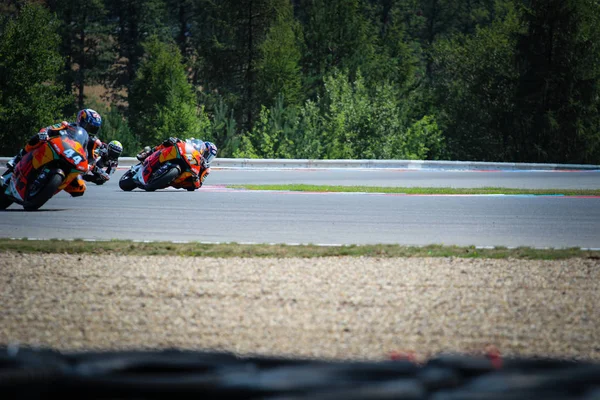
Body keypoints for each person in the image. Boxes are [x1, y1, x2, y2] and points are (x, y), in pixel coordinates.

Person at [5, 108, 103, 197]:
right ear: (80, 120)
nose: (90, 131)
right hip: (54, 149)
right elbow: (49, 129)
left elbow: (91, 159)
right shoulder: (67, 126)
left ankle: (50, 188)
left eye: (94, 129)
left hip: (72, 161)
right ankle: (17, 158)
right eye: (89, 127)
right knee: (38, 138)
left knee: (80, 188)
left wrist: (93, 168)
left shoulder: (92, 143)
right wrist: (45, 133)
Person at [136, 137, 217, 190]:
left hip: (181, 181)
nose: (207, 157)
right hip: (185, 156)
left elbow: (199, 185)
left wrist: (196, 179)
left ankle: (161, 180)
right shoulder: (196, 148)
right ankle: (149, 153)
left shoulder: (206, 169)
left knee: (191, 187)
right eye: (207, 154)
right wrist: (176, 140)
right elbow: (187, 142)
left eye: (210, 157)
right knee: (168, 142)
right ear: (203, 149)